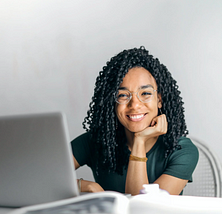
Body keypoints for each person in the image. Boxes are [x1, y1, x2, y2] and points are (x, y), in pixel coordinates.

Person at [71, 47, 198, 195]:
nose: (135, 105)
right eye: (123, 95)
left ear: (160, 100)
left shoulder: (181, 151)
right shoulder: (95, 141)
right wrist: (84, 185)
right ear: (112, 102)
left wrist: (139, 140)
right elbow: (41, 178)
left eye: (145, 93)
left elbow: (144, 210)